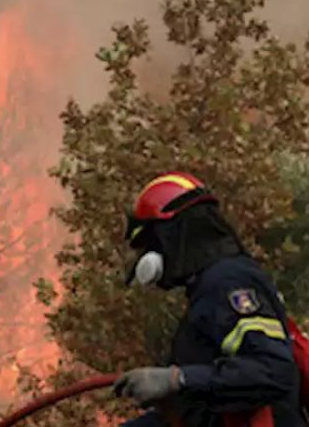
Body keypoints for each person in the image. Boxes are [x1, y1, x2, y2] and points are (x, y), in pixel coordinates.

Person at [113, 172, 304, 426]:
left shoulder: (229, 282)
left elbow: (273, 370)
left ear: (171, 237)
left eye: (150, 243)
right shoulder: (211, 286)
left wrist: (176, 380)